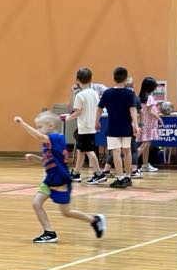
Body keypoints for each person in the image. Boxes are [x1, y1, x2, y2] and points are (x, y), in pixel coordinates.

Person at [14, 112, 104, 243]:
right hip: (50, 180)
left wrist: (22, 123)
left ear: (51, 126)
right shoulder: (49, 142)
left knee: (66, 212)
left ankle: (94, 220)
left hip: (60, 180)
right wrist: (35, 158)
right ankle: (49, 232)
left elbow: (39, 136)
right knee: (36, 203)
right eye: (37, 127)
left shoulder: (56, 138)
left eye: (40, 127)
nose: (38, 130)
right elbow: (46, 161)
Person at [97, 67, 140, 189]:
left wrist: (96, 121)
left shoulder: (107, 93)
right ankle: (128, 177)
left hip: (113, 127)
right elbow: (133, 110)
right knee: (127, 151)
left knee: (116, 152)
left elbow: (99, 108)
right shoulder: (130, 93)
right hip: (126, 127)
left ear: (114, 77)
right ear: (126, 79)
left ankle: (120, 178)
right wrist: (136, 125)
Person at [66, 68, 107, 184]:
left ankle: (99, 174)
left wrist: (67, 118)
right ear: (90, 79)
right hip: (91, 126)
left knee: (89, 151)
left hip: (84, 127)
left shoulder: (80, 95)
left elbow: (77, 112)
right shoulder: (94, 93)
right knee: (81, 150)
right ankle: (76, 173)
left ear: (77, 80)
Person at [134, 76, 161, 177]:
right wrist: (159, 118)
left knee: (146, 145)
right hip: (149, 125)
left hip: (144, 123)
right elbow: (150, 111)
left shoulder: (141, 97)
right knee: (145, 145)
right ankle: (131, 163)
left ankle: (145, 165)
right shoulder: (149, 97)